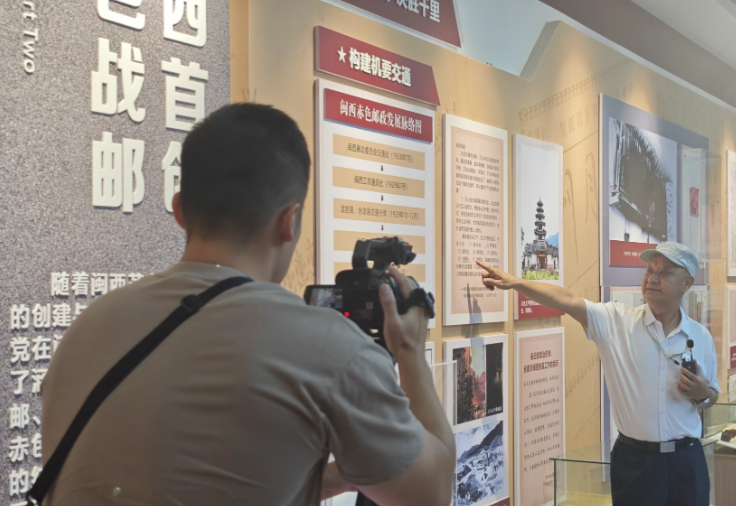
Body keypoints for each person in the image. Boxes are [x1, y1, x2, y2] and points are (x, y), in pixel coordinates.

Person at [40, 104, 455, 506]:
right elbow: (431, 494)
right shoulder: (327, 349)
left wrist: (327, 479)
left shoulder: (88, 327)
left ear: (179, 210)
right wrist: (409, 353)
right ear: (288, 221)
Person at [478, 242, 719, 506]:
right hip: (636, 462)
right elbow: (568, 300)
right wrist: (516, 283)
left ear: (687, 283)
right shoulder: (617, 321)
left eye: (664, 273)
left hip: (687, 461)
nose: (652, 278)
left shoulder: (700, 336)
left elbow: (711, 396)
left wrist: (703, 393)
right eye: (649, 270)